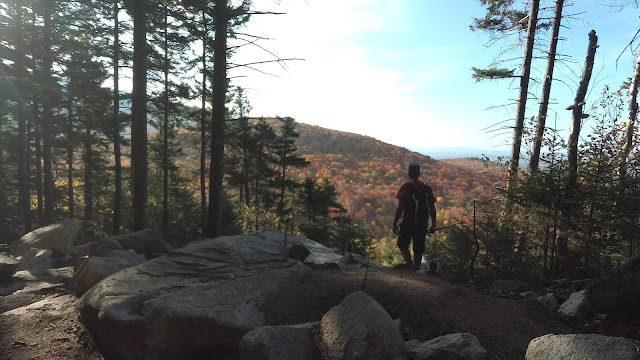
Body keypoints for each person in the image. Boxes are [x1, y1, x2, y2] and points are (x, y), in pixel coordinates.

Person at [393, 163, 437, 270]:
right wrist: (433, 225)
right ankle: (416, 267)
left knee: (402, 244)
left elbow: (400, 208)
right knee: (419, 247)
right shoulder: (427, 188)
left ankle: (409, 263)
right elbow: (432, 209)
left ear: (409, 173)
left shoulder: (406, 187)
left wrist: (394, 222)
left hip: (407, 222)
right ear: (419, 173)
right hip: (422, 224)